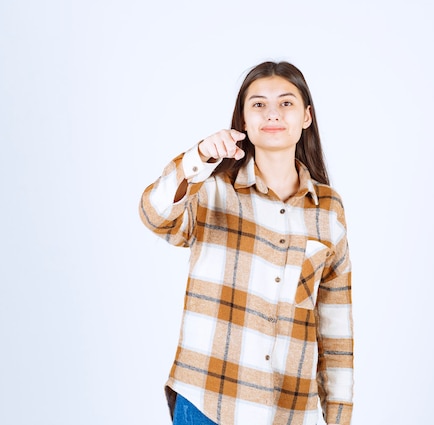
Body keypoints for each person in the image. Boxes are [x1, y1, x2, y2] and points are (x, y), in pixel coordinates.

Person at [139, 61, 354, 425]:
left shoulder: (328, 210)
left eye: (286, 103)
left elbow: (335, 328)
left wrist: (339, 417)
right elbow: (155, 215)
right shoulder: (212, 189)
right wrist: (200, 157)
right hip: (208, 401)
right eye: (258, 104)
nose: (272, 113)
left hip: (288, 413)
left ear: (306, 117)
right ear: (242, 119)